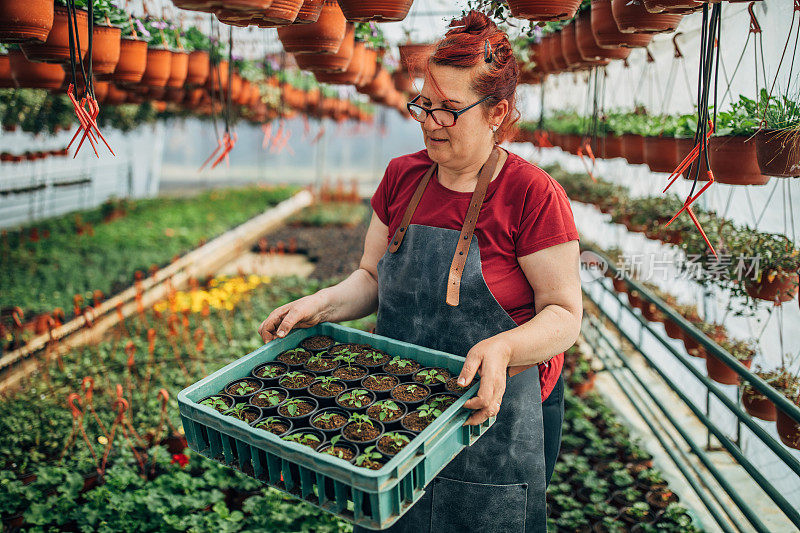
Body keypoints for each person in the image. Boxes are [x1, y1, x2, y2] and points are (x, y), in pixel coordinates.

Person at [258, 10, 582, 532]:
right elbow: (371, 277)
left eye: (450, 109)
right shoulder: (402, 176)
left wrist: (502, 347)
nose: (431, 121)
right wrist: (319, 304)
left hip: (490, 417)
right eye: (424, 105)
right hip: (398, 404)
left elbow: (564, 315)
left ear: (497, 111)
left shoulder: (532, 193)